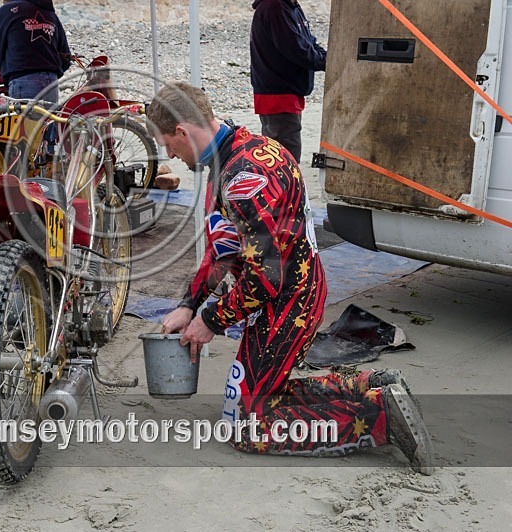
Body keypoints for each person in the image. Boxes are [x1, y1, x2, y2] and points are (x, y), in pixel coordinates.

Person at [146, 81, 433, 473]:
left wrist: (208, 321)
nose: (170, 156)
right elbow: (222, 249)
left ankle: (379, 414)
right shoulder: (235, 151)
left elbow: (265, 278)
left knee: (251, 428)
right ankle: (370, 384)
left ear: (182, 131)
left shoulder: (242, 180)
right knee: (253, 400)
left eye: (168, 144)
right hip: (284, 294)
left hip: (288, 301)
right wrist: (188, 304)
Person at [250, 0, 326, 163]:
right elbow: (297, 50)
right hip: (278, 94)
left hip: (285, 93)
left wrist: (327, 58)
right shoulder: (275, 7)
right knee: (285, 158)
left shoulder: (290, 7)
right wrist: (329, 62)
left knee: (282, 151)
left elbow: (309, 42)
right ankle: (286, 188)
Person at [0, 0, 72, 105]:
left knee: (26, 120)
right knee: (47, 120)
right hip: (50, 81)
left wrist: (6, 68)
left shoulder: (8, 11)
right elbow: (66, 57)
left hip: (23, 79)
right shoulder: (50, 14)